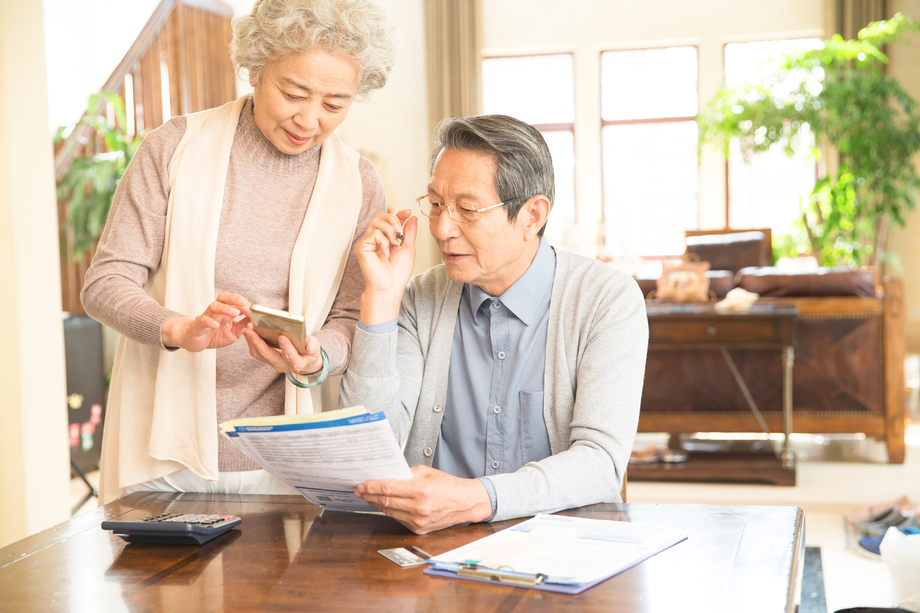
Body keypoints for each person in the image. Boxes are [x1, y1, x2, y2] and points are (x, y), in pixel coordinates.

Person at [82, 0, 399, 504]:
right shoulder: (174, 148)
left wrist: (316, 357)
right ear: (254, 68)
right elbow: (105, 283)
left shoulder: (358, 183)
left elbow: (348, 317)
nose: (309, 119)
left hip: (286, 460)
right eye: (293, 93)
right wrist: (179, 330)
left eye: (335, 104)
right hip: (161, 454)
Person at [340, 114, 649, 534]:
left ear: (532, 215)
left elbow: (600, 463)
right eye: (434, 205)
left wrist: (477, 499)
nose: (443, 229)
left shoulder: (606, 299)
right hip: (434, 552)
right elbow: (364, 455)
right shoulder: (417, 297)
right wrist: (379, 299)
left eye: (466, 209)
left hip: (563, 546)